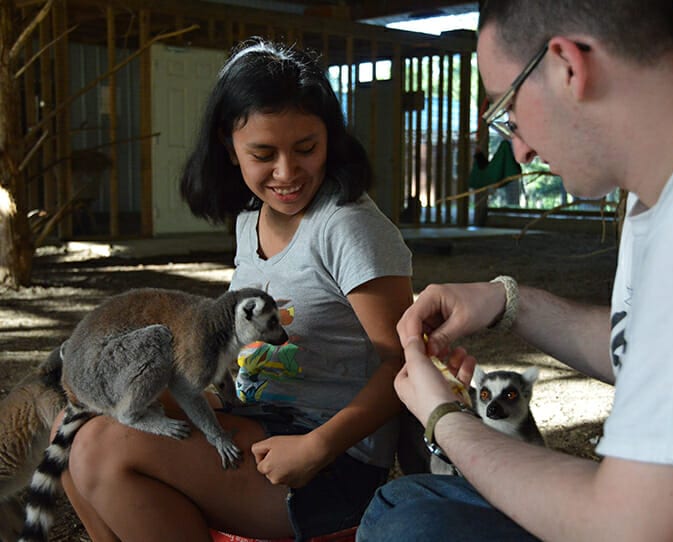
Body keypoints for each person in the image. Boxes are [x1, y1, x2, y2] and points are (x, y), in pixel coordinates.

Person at [357, 1, 673, 541]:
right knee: (406, 504)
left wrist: (445, 419)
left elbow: (628, 530)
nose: (519, 150)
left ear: (568, 65)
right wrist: (507, 303)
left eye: (508, 113)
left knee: (408, 530)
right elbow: (645, 346)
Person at [56, 38, 413, 542]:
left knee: (104, 451)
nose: (287, 173)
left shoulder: (347, 227)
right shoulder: (251, 219)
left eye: (306, 148)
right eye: (264, 154)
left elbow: (403, 363)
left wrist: (317, 447)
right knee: (72, 433)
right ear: (229, 146)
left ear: (330, 138)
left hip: (330, 460)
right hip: (258, 417)